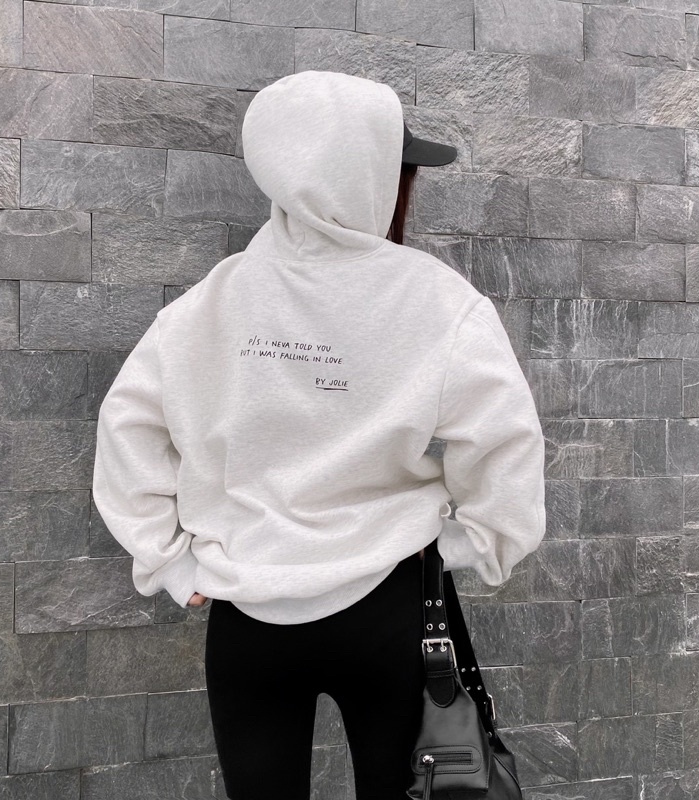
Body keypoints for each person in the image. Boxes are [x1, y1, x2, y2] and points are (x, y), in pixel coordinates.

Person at [92, 69, 546, 800]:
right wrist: (471, 545)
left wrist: (172, 562)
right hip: (390, 605)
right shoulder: (439, 302)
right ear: (373, 173)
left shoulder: (210, 302)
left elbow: (127, 430)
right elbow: (505, 447)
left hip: (247, 613)